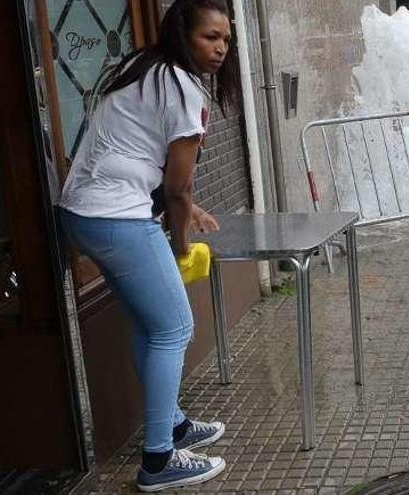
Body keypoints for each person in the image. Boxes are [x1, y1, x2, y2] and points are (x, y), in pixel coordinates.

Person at [57, 0, 241, 491]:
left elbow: (159, 170)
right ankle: (159, 458)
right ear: (183, 35)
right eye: (210, 37)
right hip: (117, 217)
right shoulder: (181, 87)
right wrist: (181, 243)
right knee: (175, 326)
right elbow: (176, 187)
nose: (221, 48)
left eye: (226, 38)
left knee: (151, 324)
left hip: (85, 211)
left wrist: (189, 207)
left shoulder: (146, 68)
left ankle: (174, 423)